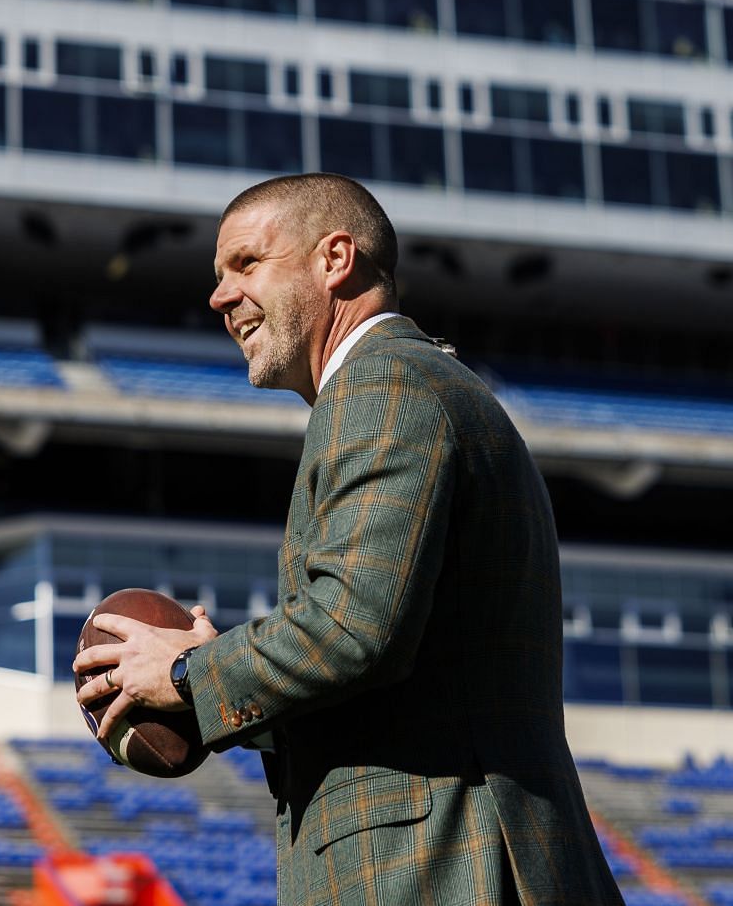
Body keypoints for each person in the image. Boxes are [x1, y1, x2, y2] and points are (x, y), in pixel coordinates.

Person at [74, 173, 623, 906]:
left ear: (335, 259)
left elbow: (353, 627)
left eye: (245, 264)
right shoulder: (427, 382)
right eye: (217, 275)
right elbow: (400, 689)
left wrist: (188, 673)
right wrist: (220, 689)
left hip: (438, 869)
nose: (218, 297)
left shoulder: (381, 385)